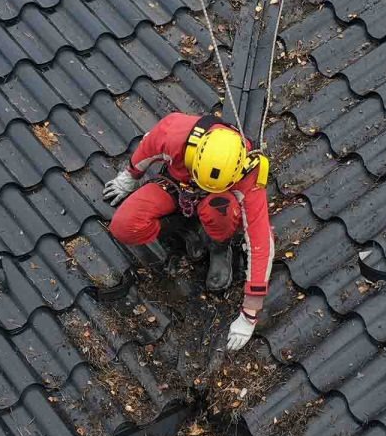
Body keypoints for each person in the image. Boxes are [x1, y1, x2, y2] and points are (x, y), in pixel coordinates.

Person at [102, 112, 272, 352]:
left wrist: (250, 312)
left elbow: (261, 243)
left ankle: (219, 247)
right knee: (124, 225)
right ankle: (184, 225)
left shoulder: (250, 175)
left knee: (219, 208)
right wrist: (130, 176)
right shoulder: (178, 134)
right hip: (176, 186)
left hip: (217, 202)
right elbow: (148, 147)